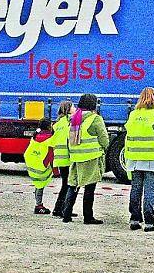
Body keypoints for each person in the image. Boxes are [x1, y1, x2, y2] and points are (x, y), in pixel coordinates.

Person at [125, 87, 154, 232]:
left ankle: (134, 219)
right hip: (152, 159)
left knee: (136, 189)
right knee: (150, 191)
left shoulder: (133, 114)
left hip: (134, 159)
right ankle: (149, 222)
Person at [60, 94, 109, 224]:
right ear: (94, 105)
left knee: (73, 185)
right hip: (91, 157)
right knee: (89, 187)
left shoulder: (73, 118)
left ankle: (66, 214)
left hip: (76, 157)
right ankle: (88, 217)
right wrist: (103, 148)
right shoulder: (95, 119)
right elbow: (104, 140)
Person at [50, 100, 75, 218]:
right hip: (67, 158)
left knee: (65, 184)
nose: (75, 108)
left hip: (59, 158)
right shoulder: (68, 123)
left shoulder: (57, 124)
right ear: (68, 109)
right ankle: (60, 209)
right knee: (68, 185)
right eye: (73, 107)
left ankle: (62, 208)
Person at [24, 119, 54, 214]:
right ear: (49, 127)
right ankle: (38, 206)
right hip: (42, 166)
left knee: (38, 186)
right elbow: (50, 155)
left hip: (33, 164)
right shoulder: (50, 138)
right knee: (40, 185)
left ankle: (38, 205)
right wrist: (56, 171)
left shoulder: (35, 136)